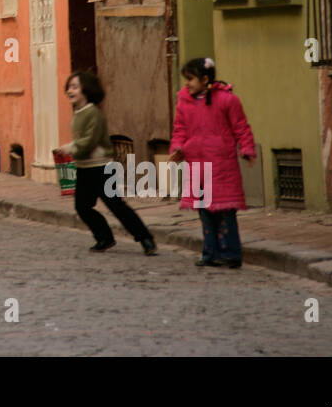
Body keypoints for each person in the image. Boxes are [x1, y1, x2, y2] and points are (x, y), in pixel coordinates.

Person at [55, 71, 157, 256]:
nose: (70, 90)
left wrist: (70, 148)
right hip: (85, 168)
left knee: (116, 206)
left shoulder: (93, 113)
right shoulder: (78, 113)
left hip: (102, 168)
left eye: (75, 87)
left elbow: (89, 141)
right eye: (69, 87)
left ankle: (145, 238)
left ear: (87, 90)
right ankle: (104, 237)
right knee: (82, 207)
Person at [169, 57, 256, 268]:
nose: (187, 84)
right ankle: (210, 253)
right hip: (197, 166)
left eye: (190, 79)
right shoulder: (184, 103)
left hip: (221, 165)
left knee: (225, 212)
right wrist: (177, 147)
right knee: (205, 213)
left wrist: (246, 148)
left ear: (205, 79)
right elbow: (180, 128)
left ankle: (231, 253)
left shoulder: (227, 100)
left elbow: (240, 126)